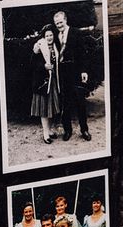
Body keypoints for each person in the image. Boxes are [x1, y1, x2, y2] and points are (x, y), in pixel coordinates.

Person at [52, 10, 91, 142]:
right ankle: (67, 130)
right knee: (66, 104)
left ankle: (84, 130)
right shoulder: (55, 36)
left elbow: (83, 53)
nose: (59, 25)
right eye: (57, 23)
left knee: (80, 102)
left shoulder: (76, 33)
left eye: (61, 22)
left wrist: (84, 71)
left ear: (66, 20)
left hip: (75, 71)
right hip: (63, 74)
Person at [31, 24, 62, 145]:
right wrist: (44, 66)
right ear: (43, 37)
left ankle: (49, 131)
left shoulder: (55, 46)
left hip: (53, 81)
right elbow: (32, 64)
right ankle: (45, 134)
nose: (49, 37)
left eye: (51, 35)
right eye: (47, 35)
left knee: (51, 108)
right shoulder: (39, 47)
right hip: (42, 81)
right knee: (44, 108)